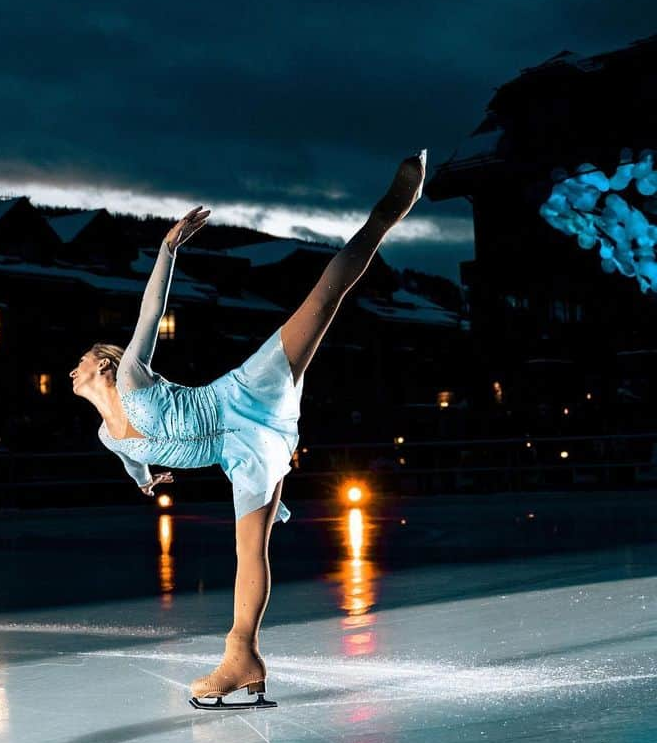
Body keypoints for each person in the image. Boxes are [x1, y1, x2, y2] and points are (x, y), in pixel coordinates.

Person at [70, 150, 426, 708]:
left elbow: (149, 310)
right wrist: (146, 481)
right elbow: (133, 463)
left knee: (319, 303)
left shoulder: (134, 375)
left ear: (105, 366)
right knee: (249, 553)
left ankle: (386, 214)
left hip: (240, 395)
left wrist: (167, 249)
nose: (73, 369)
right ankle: (243, 657)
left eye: (82, 361)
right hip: (246, 451)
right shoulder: (106, 437)